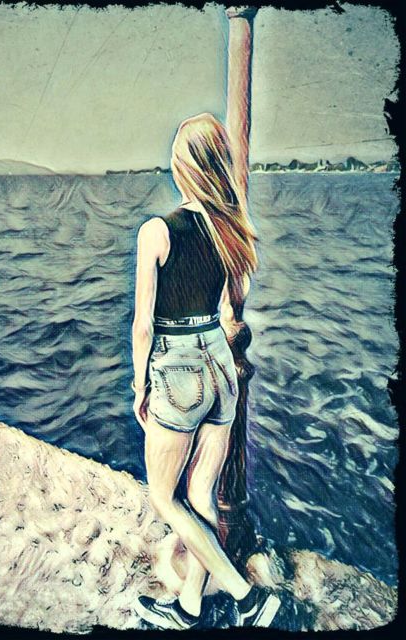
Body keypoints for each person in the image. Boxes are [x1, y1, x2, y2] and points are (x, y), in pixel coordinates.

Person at [132, 113, 281, 630]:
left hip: (178, 369)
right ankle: (190, 608)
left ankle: (246, 597)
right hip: (220, 364)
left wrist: (140, 384)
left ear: (184, 166)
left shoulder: (157, 231)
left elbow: (143, 325)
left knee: (164, 497)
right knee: (201, 497)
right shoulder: (229, 230)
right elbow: (228, 305)